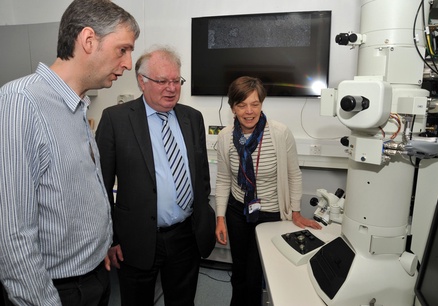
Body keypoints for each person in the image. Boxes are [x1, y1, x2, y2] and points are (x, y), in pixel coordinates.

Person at [0, 0, 140, 305]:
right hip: (58, 290)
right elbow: (12, 235)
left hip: (94, 275)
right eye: (123, 50)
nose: (129, 63)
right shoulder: (21, 102)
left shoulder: (78, 104)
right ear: (88, 40)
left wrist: (99, 245)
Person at [95, 46, 216, 306]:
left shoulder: (192, 118)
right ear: (142, 81)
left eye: (176, 81)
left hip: (186, 237)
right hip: (136, 240)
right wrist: (111, 239)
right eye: (162, 81)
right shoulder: (116, 120)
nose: (171, 88)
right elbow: (100, 187)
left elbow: (201, 176)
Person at [215, 76, 323, 305]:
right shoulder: (225, 138)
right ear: (232, 107)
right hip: (237, 212)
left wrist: (295, 211)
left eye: (255, 104)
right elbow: (224, 179)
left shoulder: (279, 133)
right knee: (239, 270)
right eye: (242, 105)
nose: (249, 111)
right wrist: (220, 217)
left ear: (262, 104)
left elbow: (294, 174)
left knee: (254, 275)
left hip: (270, 214)